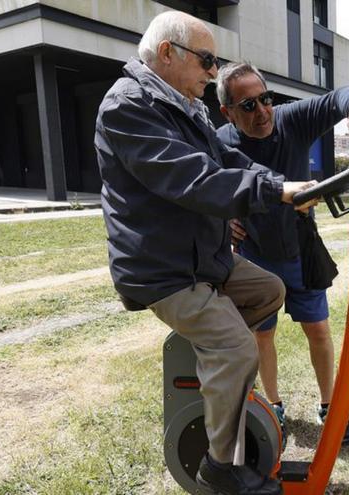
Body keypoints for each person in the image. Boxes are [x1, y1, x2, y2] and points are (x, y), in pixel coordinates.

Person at [94, 12, 318, 495]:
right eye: (208, 60)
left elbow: (228, 160)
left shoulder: (183, 103)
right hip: (163, 269)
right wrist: (274, 193)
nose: (214, 73)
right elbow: (191, 176)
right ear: (168, 53)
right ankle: (219, 469)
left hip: (201, 256)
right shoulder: (127, 107)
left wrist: (284, 185)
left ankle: (224, 387)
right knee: (236, 346)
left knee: (269, 290)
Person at [215, 62, 349, 445]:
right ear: (228, 112)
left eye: (265, 99)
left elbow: (339, 96)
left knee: (317, 329)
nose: (262, 111)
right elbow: (203, 188)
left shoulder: (291, 120)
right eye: (248, 106)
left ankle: (329, 406)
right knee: (260, 337)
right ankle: (273, 407)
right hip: (253, 255)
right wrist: (223, 222)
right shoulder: (219, 142)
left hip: (301, 249)